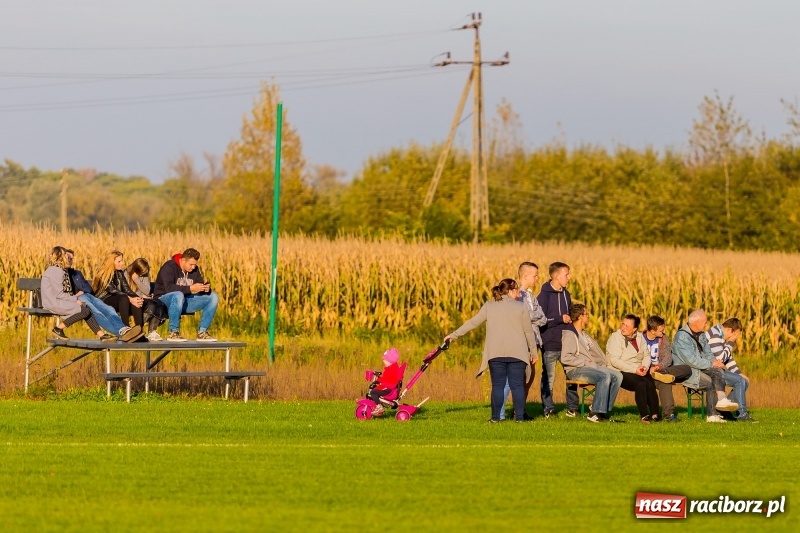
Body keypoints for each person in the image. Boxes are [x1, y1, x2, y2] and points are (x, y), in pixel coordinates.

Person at [445, 279, 538, 423]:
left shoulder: (489, 306)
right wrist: (533, 352)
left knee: (498, 386)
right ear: (511, 291)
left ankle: (495, 418)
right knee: (518, 385)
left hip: (496, 354)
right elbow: (528, 332)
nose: (519, 295)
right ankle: (520, 418)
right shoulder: (521, 307)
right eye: (517, 291)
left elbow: (473, 322)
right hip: (518, 353)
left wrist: (453, 335)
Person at [41, 246, 140, 342]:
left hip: (73, 298)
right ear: (61, 257)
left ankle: (114, 332)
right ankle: (120, 332)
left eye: (71, 258)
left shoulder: (71, 272)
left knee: (105, 308)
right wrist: (75, 299)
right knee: (89, 310)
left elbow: (87, 288)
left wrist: (79, 293)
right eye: (67, 257)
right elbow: (59, 294)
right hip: (58, 302)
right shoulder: (57, 271)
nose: (69, 259)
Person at [672, 309, 739, 423]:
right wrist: (711, 364)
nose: (707, 324)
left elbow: (708, 353)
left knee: (717, 370)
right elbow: (691, 361)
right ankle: (713, 413)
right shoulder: (682, 337)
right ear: (697, 323)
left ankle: (718, 405)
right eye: (705, 322)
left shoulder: (702, 334)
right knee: (711, 381)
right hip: (688, 371)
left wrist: (715, 362)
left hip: (700, 367)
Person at [499, 261, 547, 420]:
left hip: (534, 341)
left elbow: (543, 318)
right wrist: (531, 317)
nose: (537, 278)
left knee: (529, 378)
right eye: (535, 275)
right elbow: (521, 317)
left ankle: (520, 409)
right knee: (518, 378)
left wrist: (531, 317)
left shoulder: (531, 296)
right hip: (523, 343)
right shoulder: (517, 296)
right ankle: (506, 412)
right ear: (525, 276)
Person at [560, 304, 622, 422]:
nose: (588, 316)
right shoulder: (569, 334)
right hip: (575, 370)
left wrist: (603, 363)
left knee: (618, 376)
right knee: (604, 377)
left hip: (590, 367)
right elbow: (565, 358)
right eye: (586, 314)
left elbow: (595, 354)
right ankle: (594, 413)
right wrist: (585, 362)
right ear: (580, 317)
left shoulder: (584, 334)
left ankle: (602, 410)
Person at [537, 262, 579, 418]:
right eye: (566, 274)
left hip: (566, 343)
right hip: (550, 343)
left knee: (572, 374)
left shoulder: (566, 294)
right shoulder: (543, 296)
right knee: (549, 377)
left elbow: (569, 314)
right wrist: (559, 319)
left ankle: (572, 407)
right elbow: (541, 320)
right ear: (556, 276)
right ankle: (548, 408)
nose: (569, 277)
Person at [153, 248, 218, 342]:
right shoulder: (169, 267)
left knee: (213, 297)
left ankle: (202, 332)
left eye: (195, 264)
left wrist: (205, 289)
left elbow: (199, 283)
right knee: (178, 295)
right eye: (191, 264)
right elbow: (169, 288)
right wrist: (190, 288)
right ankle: (173, 332)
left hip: (182, 301)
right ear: (183, 260)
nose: (193, 267)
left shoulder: (194, 270)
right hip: (163, 301)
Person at [606, 314, 661, 423]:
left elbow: (646, 355)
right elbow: (615, 361)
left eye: (627, 326)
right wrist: (635, 369)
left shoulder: (640, 337)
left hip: (638, 369)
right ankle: (644, 415)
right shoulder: (615, 338)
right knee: (640, 383)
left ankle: (655, 413)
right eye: (623, 324)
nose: (623, 327)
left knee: (649, 381)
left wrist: (644, 367)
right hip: (619, 370)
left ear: (634, 329)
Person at [642, 315, 692, 422]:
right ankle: (668, 415)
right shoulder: (640, 339)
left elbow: (668, 358)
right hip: (645, 373)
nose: (663, 332)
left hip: (661, 370)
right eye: (661, 330)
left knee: (687, 369)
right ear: (652, 331)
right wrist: (649, 368)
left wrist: (658, 367)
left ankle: (663, 373)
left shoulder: (663, 339)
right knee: (666, 382)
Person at [705, 318, 756, 422]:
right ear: (729, 330)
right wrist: (731, 343)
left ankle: (725, 411)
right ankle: (742, 414)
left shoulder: (719, 335)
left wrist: (739, 373)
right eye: (735, 334)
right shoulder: (715, 335)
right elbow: (721, 358)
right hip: (711, 370)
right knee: (739, 381)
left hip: (716, 369)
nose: (735, 338)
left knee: (743, 380)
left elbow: (728, 359)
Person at [92, 251, 145, 332]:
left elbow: (127, 289)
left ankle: (139, 330)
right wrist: (130, 299)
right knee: (124, 298)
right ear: (111, 262)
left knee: (135, 299)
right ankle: (125, 329)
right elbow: (112, 290)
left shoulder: (119, 272)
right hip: (103, 300)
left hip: (118, 299)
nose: (122, 263)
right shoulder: (102, 272)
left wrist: (136, 298)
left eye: (122, 261)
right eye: (119, 261)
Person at [125, 257, 168, 342]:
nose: (142, 275)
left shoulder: (144, 274)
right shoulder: (125, 274)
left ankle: (149, 332)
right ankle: (139, 330)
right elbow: (126, 291)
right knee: (152, 305)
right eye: (141, 273)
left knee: (157, 303)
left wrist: (137, 280)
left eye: (144, 273)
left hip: (142, 299)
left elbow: (147, 290)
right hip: (130, 299)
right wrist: (140, 294)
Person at [369, 348, 406, 416]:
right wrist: (379, 380)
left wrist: (378, 381)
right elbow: (387, 379)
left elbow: (386, 380)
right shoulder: (393, 367)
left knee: (373, 392)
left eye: (385, 360)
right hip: (390, 387)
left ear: (390, 361)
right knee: (375, 389)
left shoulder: (390, 370)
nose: (383, 362)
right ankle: (379, 407)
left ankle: (379, 407)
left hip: (389, 388)